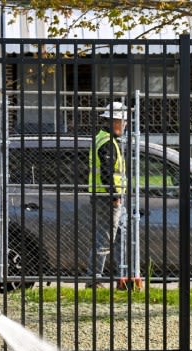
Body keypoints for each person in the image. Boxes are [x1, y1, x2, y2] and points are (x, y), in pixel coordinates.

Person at [87, 101, 139, 290]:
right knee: (105, 238)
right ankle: (94, 280)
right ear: (114, 121)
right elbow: (107, 172)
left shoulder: (107, 140)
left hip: (111, 197)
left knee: (120, 237)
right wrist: (115, 195)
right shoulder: (107, 142)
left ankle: (123, 277)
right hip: (107, 199)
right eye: (123, 121)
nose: (125, 125)